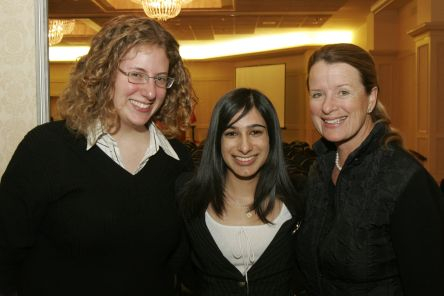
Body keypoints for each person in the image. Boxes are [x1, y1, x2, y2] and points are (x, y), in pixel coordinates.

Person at [0, 15, 195, 296]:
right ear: (104, 73)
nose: (151, 91)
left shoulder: (177, 160)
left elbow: (182, 265)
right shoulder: (46, 148)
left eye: (161, 79)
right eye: (136, 74)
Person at [295, 43, 444, 295]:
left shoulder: (405, 180)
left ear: (371, 98)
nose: (327, 107)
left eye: (343, 92)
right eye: (317, 94)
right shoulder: (317, 172)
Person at [178, 88, 304, 295]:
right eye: (231, 133)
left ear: (271, 138)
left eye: (255, 132)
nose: (244, 146)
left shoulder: (300, 200)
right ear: (217, 140)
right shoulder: (189, 201)